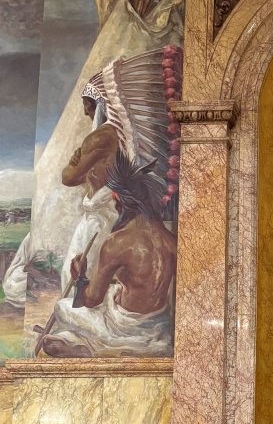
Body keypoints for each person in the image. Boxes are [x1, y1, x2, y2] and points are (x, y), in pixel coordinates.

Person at [40, 150, 176, 357]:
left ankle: (94, 344)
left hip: (124, 327)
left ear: (120, 199)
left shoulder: (119, 241)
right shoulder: (172, 240)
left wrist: (80, 278)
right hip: (158, 325)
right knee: (112, 291)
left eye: (115, 199)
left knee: (62, 307)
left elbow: (91, 300)